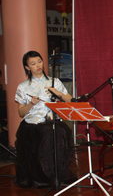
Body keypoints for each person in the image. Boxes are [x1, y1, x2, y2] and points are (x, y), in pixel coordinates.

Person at [14, 51, 75, 188]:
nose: (38, 66)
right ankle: (45, 176)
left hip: (52, 120)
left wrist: (58, 93)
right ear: (27, 67)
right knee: (46, 135)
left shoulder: (54, 81)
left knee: (61, 132)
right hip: (33, 123)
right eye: (33, 64)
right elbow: (20, 112)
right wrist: (31, 103)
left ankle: (59, 174)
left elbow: (70, 100)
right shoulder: (23, 87)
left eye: (39, 61)